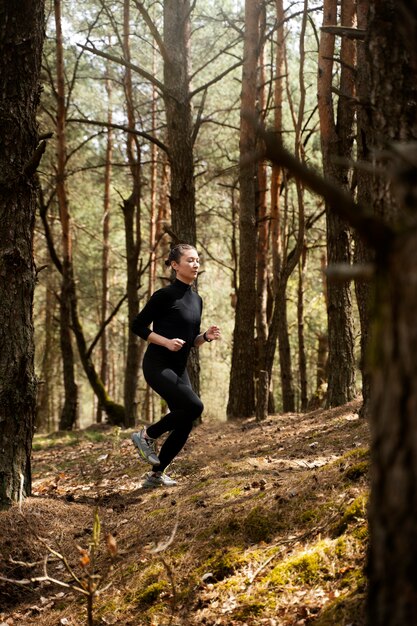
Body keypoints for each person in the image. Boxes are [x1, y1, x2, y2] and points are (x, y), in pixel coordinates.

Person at [131, 243, 221, 488]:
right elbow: (137, 326)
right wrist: (166, 342)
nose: (195, 264)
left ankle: (155, 475)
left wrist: (205, 337)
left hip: (179, 368)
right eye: (190, 260)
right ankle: (146, 435)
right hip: (158, 365)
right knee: (195, 406)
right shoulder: (164, 295)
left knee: (186, 420)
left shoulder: (196, 299)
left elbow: (190, 341)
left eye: (197, 260)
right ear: (175, 265)